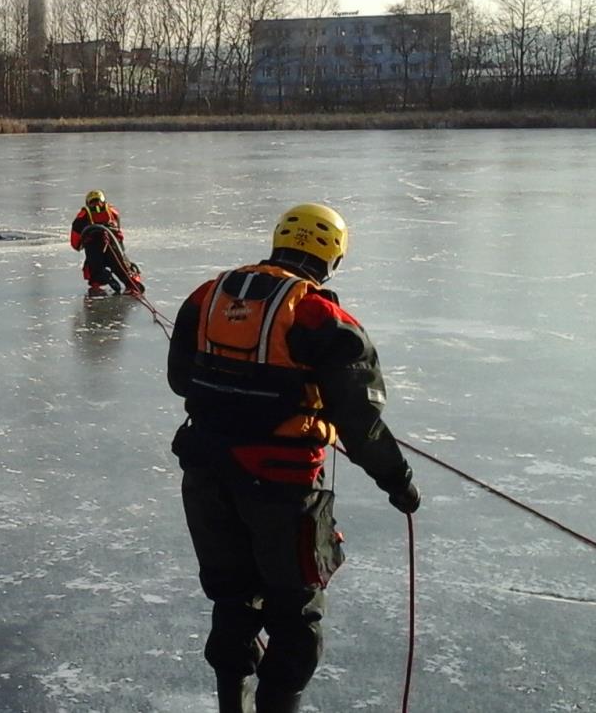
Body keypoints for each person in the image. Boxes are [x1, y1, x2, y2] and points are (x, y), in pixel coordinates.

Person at [167, 203, 420, 713]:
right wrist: (398, 481)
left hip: (205, 475)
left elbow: (179, 380)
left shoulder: (210, 293)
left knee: (234, 600)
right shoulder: (318, 315)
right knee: (295, 615)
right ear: (332, 255)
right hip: (280, 488)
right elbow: (360, 421)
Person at [70, 190, 129, 294]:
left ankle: (100, 282)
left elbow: (75, 242)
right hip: (112, 245)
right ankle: (132, 284)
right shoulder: (112, 212)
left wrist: (81, 244)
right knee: (121, 267)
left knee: (95, 269)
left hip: (94, 248)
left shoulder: (82, 216)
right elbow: (119, 233)